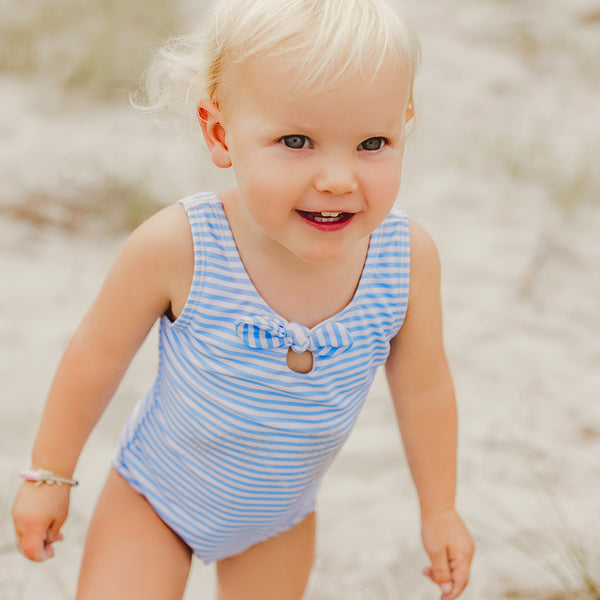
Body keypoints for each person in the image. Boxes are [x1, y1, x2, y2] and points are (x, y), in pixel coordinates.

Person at [12, 0, 474, 598]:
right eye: (297, 140)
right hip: (157, 498)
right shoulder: (181, 245)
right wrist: (50, 475)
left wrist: (439, 509)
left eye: (372, 142)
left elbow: (426, 387)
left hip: (279, 519)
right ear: (220, 132)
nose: (338, 177)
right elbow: (95, 356)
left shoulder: (406, 260)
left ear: (404, 123)